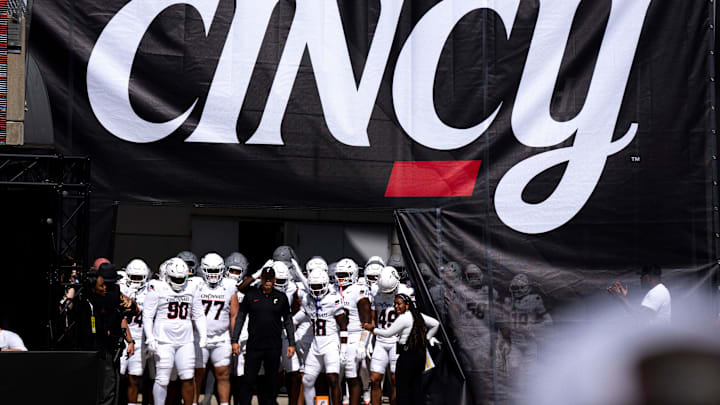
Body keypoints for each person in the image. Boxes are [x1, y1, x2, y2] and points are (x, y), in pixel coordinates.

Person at [143, 257, 208, 405]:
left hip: (186, 341)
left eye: (181, 278)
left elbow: (198, 313)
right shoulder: (157, 287)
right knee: (162, 378)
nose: (179, 282)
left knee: (188, 376)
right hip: (163, 340)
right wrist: (150, 338)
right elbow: (147, 315)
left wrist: (203, 335)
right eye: (175, 278)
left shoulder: (192, 287)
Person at [74, 262, 138, 405]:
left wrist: (130, 341)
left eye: (109, 284)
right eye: (103, 284)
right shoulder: (88, 297)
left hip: (112, 346)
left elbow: (124, 315)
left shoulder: (116, 293)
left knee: (112, 384)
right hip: (96, 347)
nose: (105, 288)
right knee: (103, 387)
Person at [231, 266, 296, 405]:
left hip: (273, 346)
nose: (267, 282)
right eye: (265, 279)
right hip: (254, 345)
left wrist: (292, 343)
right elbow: (240, 318)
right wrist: (235, 340)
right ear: (260, 279)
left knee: (271, 381)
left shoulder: (281, 297)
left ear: (274, 280)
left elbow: (288, 321)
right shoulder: (251, 295)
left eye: (270, 279)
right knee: (248, 380)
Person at [362, 293, 439, 405]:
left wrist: (372, 329)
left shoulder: (404, 318)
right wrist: (426, 339)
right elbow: (435, 324)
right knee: (416, 387)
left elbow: (387, 333)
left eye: (399, 304)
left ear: (407, 305)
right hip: (419, 356)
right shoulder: (418, 315)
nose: (396, 306)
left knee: (403, 389)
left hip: (406, 355)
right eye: (395, 304)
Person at [293, 268, 348, 405]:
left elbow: (343, 324)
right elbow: (299, 317)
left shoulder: (333, 299)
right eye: (313, 286)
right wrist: (286, 323)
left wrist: (344, 347)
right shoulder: (307, 299)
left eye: (319, 286)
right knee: (307, 380)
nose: (316, 289)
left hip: (330, 343)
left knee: (333, 379)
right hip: (316, 344)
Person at [193, 253, 239, 405]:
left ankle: (224, 403)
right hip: (200, 337)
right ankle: (193, 402)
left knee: (223, 374)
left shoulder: (229, 286)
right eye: (210, 271)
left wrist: (235, 339)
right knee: (197, 374)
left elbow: (234, 315)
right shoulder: (196, 283)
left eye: (215, 271)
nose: (213, 275)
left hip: (222, 337)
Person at [369, 266, 413, 405]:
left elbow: (412, 318)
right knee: (374, 379)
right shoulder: (375, 290)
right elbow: (373, 317)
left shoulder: (407, 291)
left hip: (397, 341)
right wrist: (369, 339)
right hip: (381, 340)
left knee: (396, 379)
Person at [333, 258, 373, 405]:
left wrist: (363, 343)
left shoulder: (359, 290)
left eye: (345, 274)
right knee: (335, 374)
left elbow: (367, 321)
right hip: (337, 336)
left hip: (354, 335)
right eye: (339, 274)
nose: (341, 278)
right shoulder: (333, 289)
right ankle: (342, 399)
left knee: (351, 372)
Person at [122, 259, 152, 405]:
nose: (135, 281)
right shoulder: (120, 288)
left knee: (135, 378)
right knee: (119, 375)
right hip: (121, 338)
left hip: (140, 339)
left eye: (138, 277)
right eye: (132, 277)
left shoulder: (150, 291)